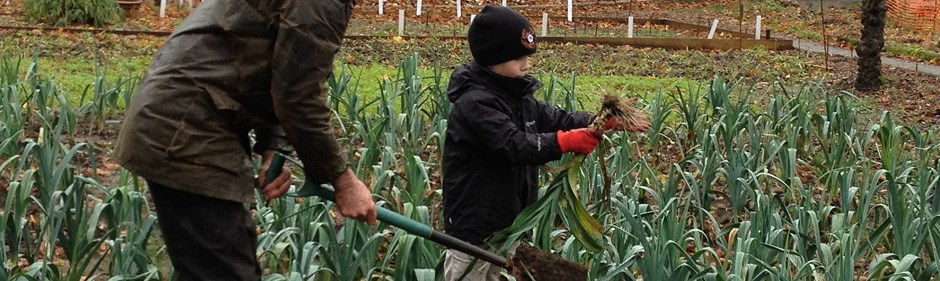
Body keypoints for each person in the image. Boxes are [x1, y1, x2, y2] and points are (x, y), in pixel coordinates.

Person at [113, 0, 376, 280]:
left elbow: (278, 62)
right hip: (186, 127)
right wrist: (344, 181)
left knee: (211, 267)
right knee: (225, 271)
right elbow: (298, 97)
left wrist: (274, 144)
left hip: (184, 117)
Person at [441, 5, 632, 281]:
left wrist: (599, 120)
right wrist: (565, 142)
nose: (526, 64)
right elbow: (512, 145)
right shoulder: (474, 103)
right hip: (473, 235)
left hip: (511, 227)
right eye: (518, 57)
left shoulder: (518, 96)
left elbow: (554, 118)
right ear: (493, 57)